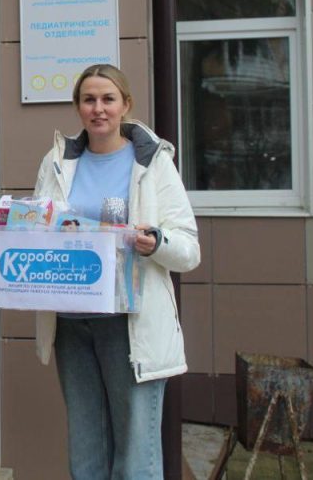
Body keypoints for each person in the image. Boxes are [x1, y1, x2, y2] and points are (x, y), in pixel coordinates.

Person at [32, 64, 200, 479]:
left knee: (135, 454)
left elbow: (189, 250)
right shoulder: (56, 162)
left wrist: (156, 241)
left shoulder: (153, 163)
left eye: (108, 99)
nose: (98, 108)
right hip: (72, 324)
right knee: (86, 449)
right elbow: (38, 229)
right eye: (89, 99)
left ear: (126, 104)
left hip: (130, 325)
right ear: (77, 106)